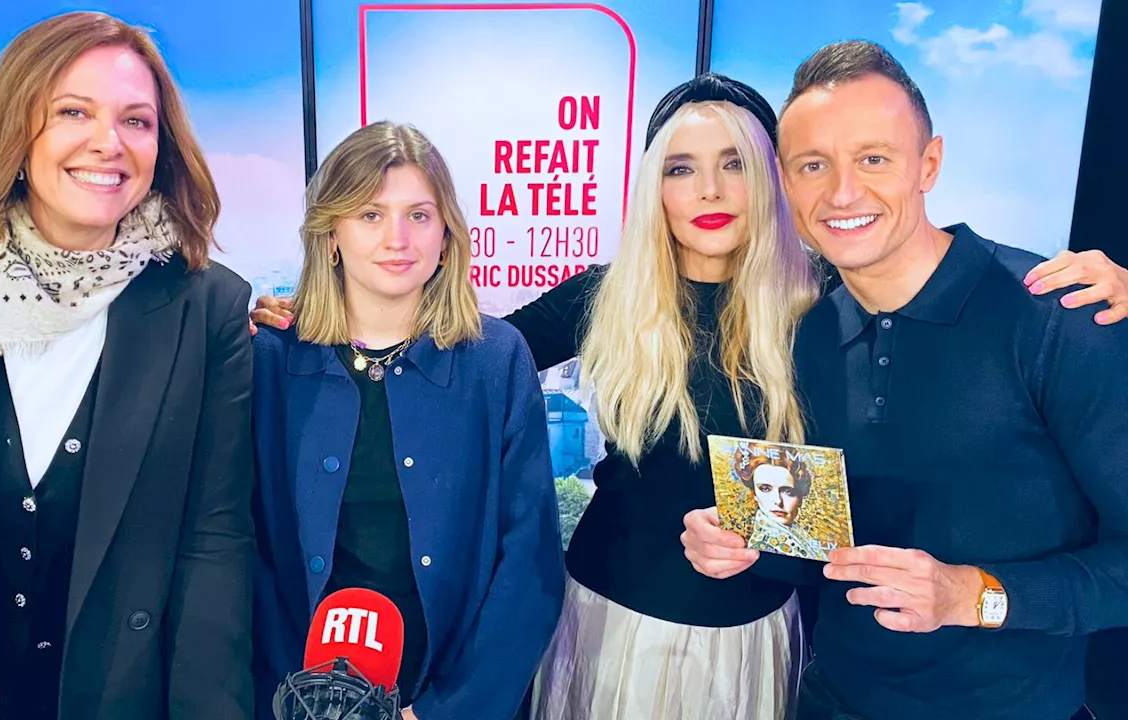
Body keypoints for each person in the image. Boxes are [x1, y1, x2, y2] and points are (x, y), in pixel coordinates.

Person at [252, 75, 1128, 719]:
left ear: (773, 179)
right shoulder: (608, 294)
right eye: (680, 168)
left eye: (733, 166)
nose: (708, 192)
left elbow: (942, 276)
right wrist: (313, 313)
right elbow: (457, 351)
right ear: (650, 187)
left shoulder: (826, 299)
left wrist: (1100, 286)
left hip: (758, 636)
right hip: (601, 622)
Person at [682, 40, 1128, 720]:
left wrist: (972, 594)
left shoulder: (1055, 316)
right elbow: (823, 547)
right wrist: (740, 543)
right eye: (812, 165)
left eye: (873, 158)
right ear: (786, 183)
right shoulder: (802, 338)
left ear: (929, 164)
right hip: (832, 702)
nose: (842, 192)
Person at [0, 12, 255, 720]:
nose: (109, 142)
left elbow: (213, 546)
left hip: (113, 698)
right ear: (17, 128)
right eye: (73, 111)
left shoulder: (208, 307)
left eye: (137, 121)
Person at [249, 121, 564, 720]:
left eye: (419, 215)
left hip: (443, 695)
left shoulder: (496, 360)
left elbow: (530, 562)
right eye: (370, 214)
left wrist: (448, 710)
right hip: (293, 697)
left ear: (446, 235)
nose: (397, 238)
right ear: (331, 235)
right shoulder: (269, 358)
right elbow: (242, 551)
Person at [737, 453, 830, 561]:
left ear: (800, 498)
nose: (777, 501)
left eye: (787, 491)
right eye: (765, 489)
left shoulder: (796, 531)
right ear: (754, 494)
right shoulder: (762, 544)